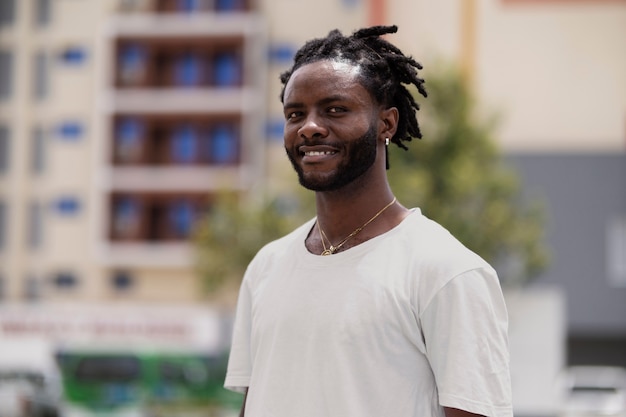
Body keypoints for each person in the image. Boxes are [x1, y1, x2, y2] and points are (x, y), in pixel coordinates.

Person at [224, 25, 512, 417]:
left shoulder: (447, 272)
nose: (309, 126)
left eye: (335, 109)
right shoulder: (266, 268)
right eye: (296, 114)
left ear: (387, 124)